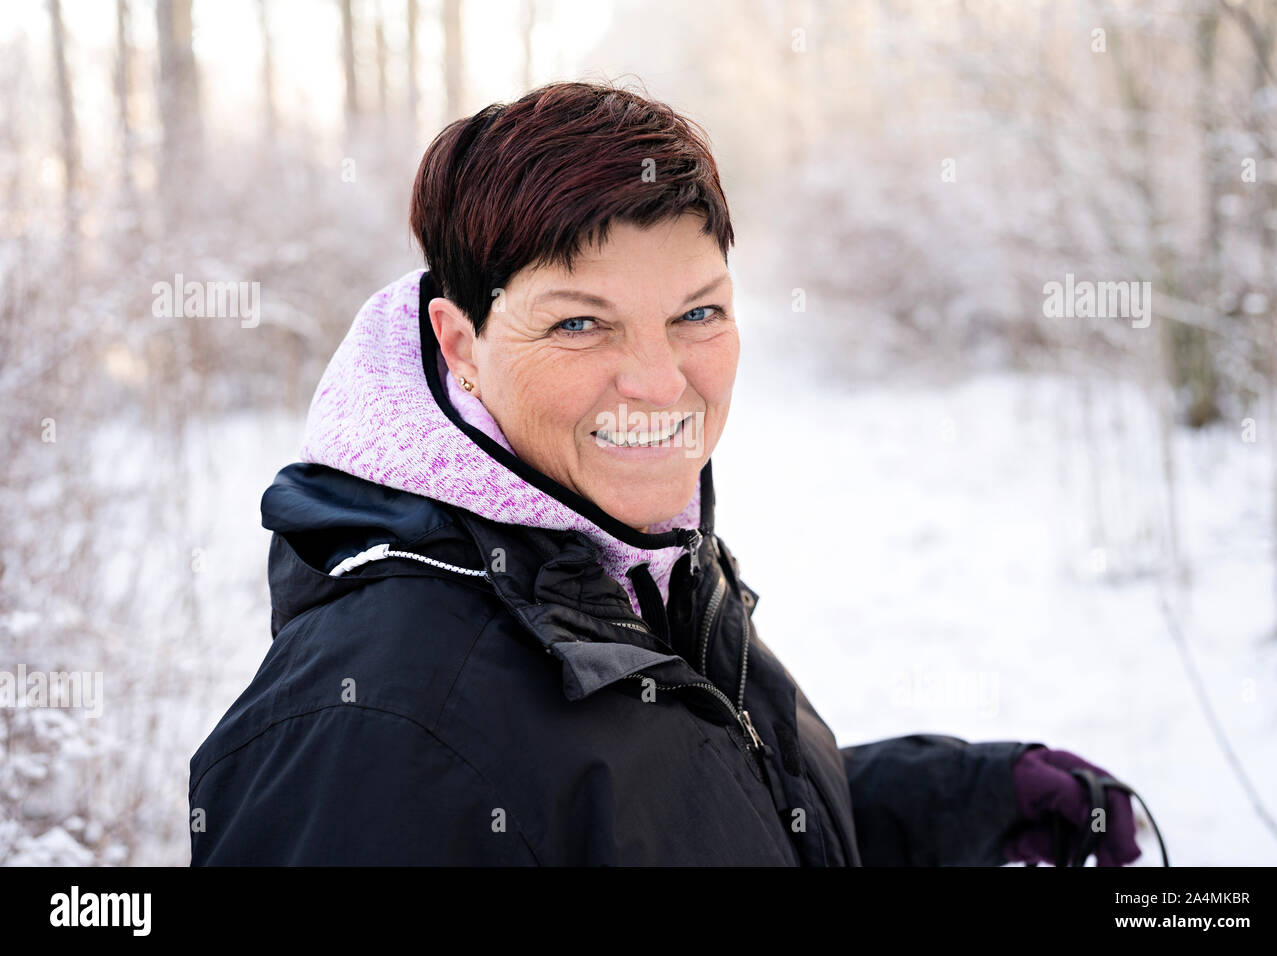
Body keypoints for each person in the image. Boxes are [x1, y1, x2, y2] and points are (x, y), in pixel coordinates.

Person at [188, 80, 1142, 866]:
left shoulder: (621, 563)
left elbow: (679, 814)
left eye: (697, 313)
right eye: (578, 322)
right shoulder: (380, 736)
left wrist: (965, 801)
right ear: (460, 343)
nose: (659, 382)